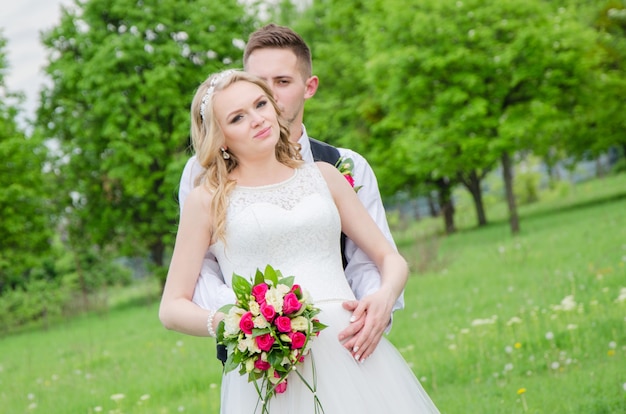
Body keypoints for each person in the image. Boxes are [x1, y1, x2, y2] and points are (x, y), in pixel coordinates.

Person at [160, 69, 439, 413]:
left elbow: (391, 259)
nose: (257, 120)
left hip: (350, 350)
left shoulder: (325, 177)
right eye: (237, 117)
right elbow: (171, 307)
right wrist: (236, 323)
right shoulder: (207, 200)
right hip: (273, 366)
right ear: (220, 138)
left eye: (260, 104)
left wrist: (384, 296)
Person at [179, 24, 402, 362]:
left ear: (308, 87)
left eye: (282, 82)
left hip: (347, 339)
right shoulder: (202, 176)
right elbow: (200, 269)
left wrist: (373, 311)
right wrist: (257, 323)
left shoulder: (341, 166)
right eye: (258, 82)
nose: (269, 97)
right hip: (261, 351)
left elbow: (371, 259)